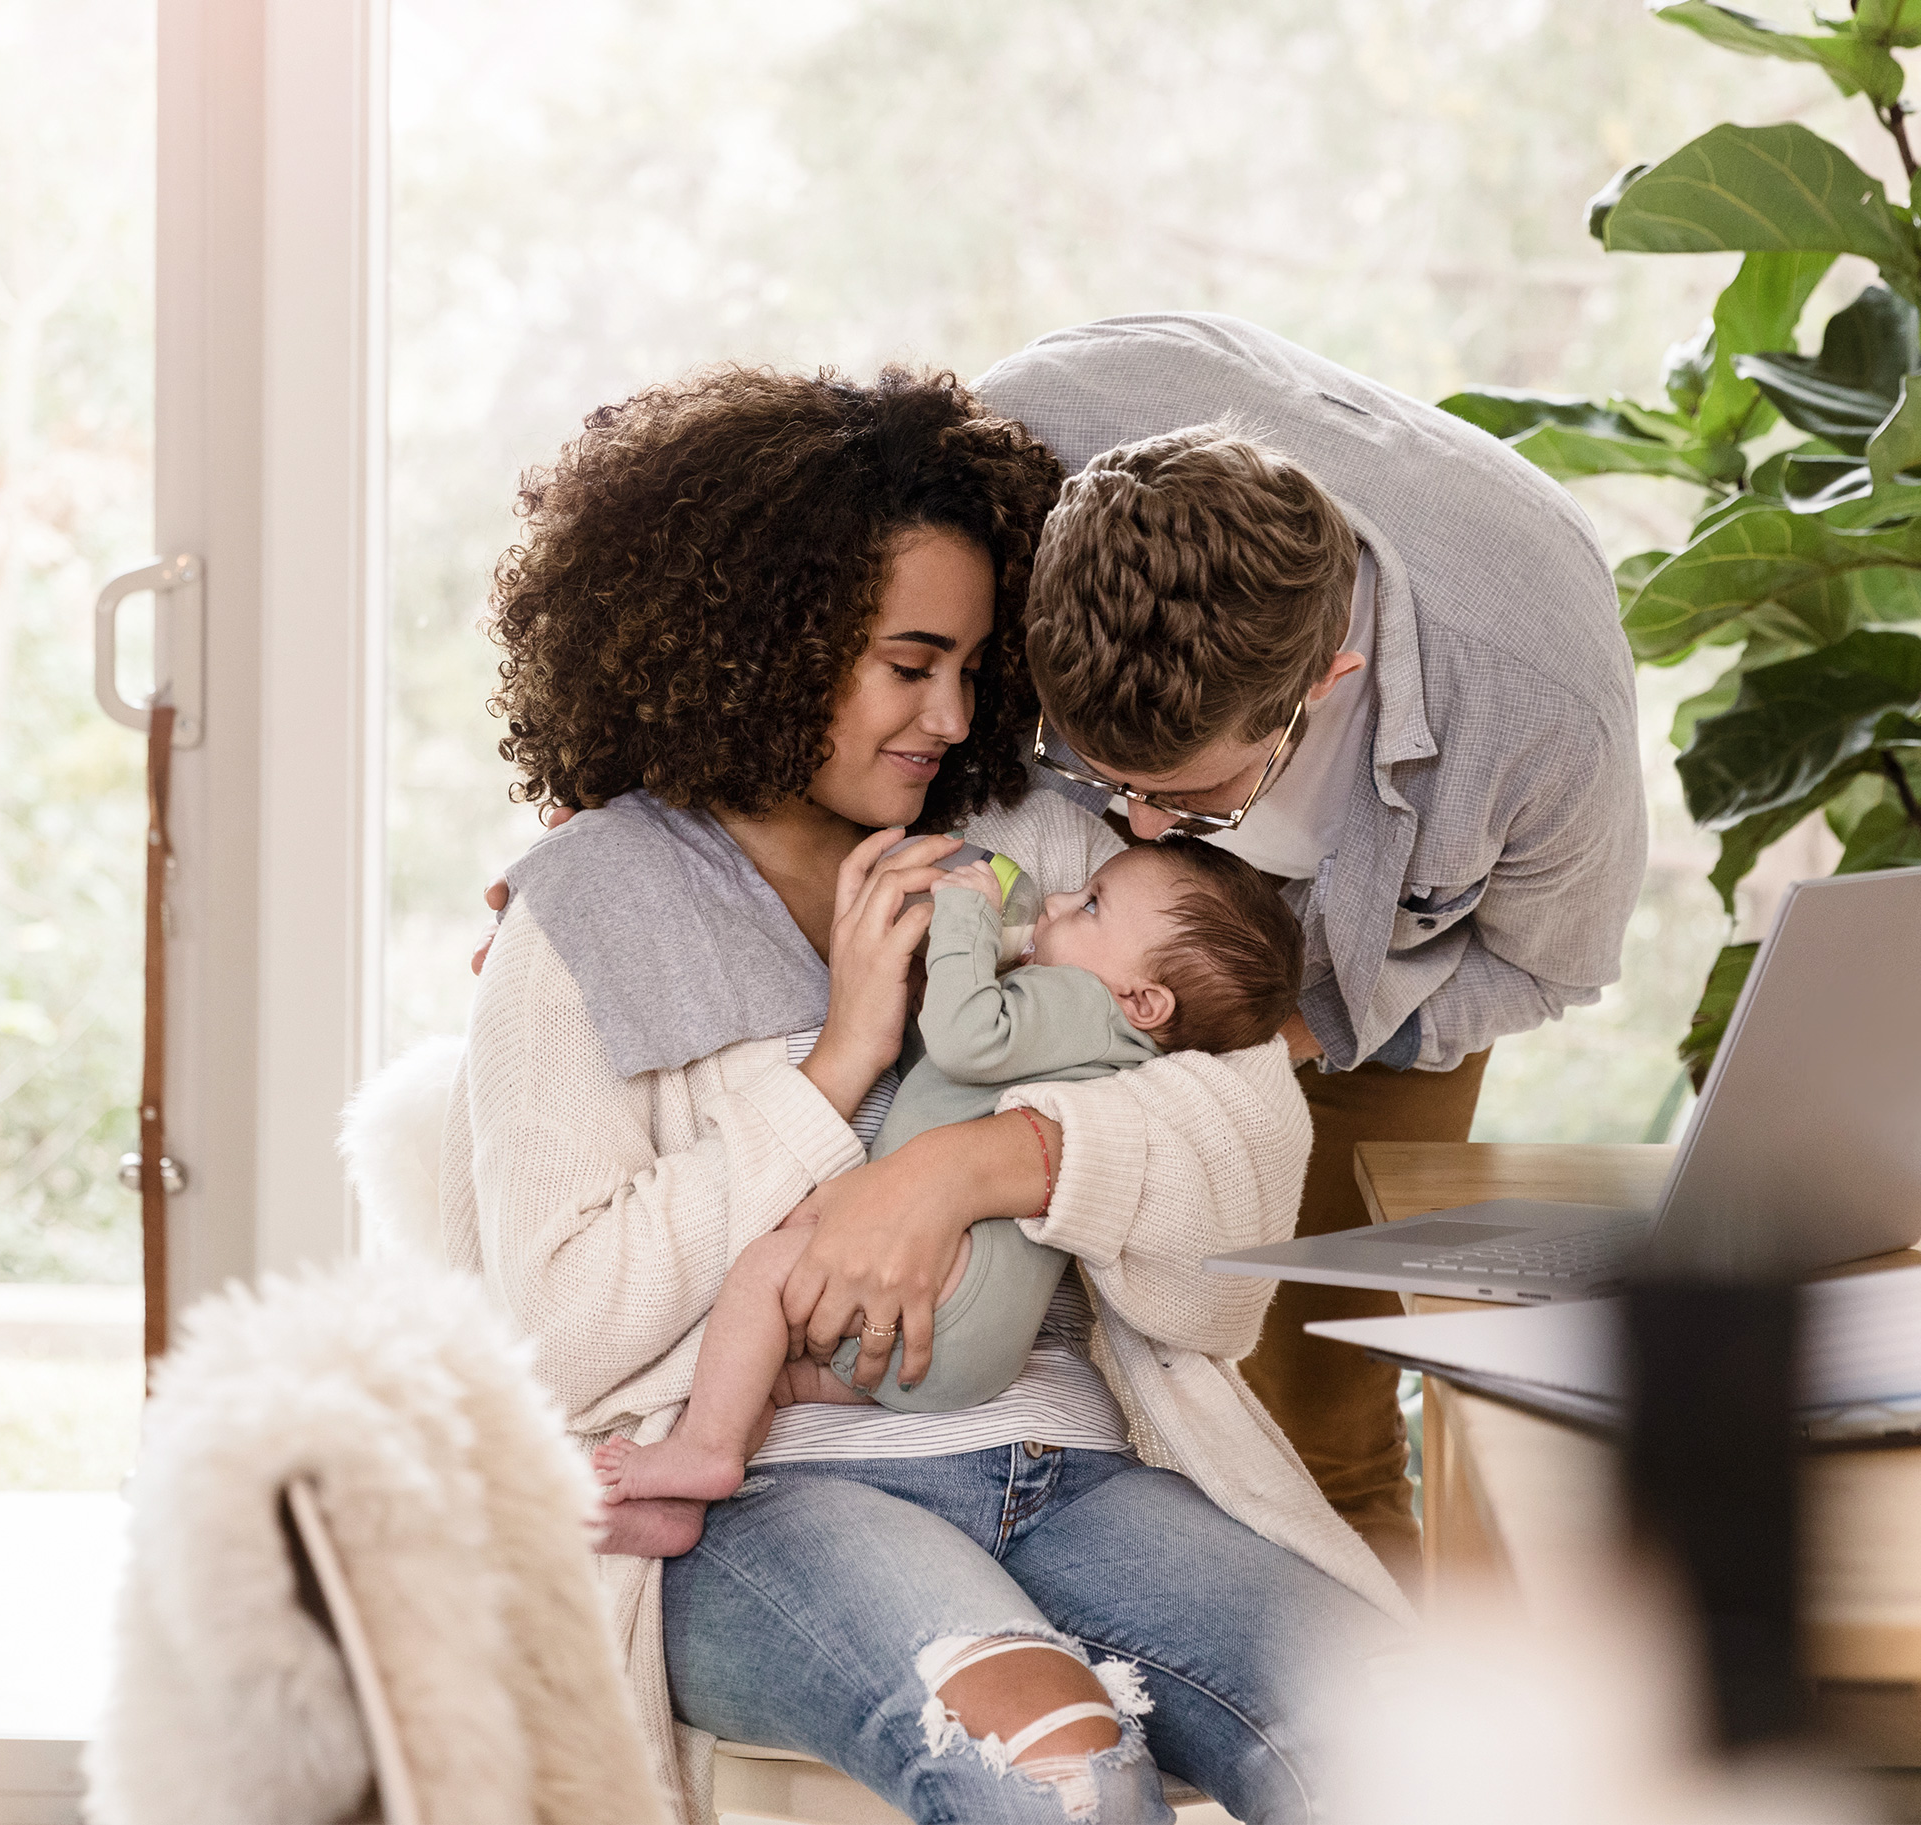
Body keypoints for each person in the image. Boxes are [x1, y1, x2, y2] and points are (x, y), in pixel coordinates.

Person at [440, 363, 1407, 1824]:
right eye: (909, 664)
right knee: (1061, 1775)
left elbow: (1246, 1139)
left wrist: (984, 1161)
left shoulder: (1042, 846)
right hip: (774, 1502)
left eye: (971, 664)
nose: (956, 714)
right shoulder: (588, 912)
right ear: (768, 643)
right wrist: (835, 1070)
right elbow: (557, 1332)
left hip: (1077, 1458)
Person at [973, 313, 1649, 1586]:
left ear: (1325, 682)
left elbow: (1548, 968)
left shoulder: (1545, 717)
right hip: (1065, 923)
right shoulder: (1001, 455)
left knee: (1317, 1431)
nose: (1141, 830)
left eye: (1191, 800)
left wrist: (1308, 1033)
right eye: (1097, 777)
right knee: (1091, 1376)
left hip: (1382, 978)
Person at [593, 839, 1303, 1513]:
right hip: (973, 1350)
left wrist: (969, 911)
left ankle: (707, 1447)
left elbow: (967, 1040)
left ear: (1143, 1000)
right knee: (766, 1380)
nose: (1055, 900)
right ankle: (687, 1494)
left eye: (1090, 904)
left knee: (762, 1275)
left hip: (948, 1301)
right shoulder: (1100, 1038)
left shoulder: (1084, 1003)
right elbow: (939, 1072)